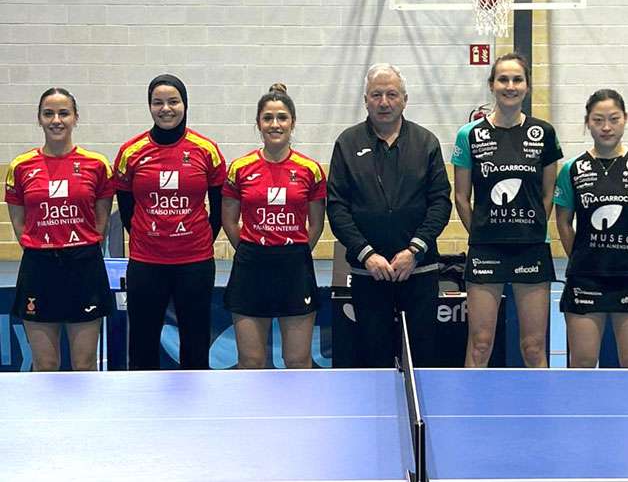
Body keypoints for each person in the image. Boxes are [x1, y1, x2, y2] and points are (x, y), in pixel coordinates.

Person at [327, 63, 452, 367]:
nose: (384, 102)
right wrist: (367, 254)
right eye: (376, 95)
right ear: (365, 100)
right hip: (369, 273)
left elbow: (440, 203)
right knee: (374, 359)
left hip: (418, 271)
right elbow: (337, 206)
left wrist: (414, 250)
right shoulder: (347, 142)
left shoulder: (427, 142)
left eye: (392, 94)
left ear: (405, 99)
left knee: (421, 358)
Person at [452, 52, 562, 368]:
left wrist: (530, 229)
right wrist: (485, 232)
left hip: (531, 248)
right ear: (492, 85)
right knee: (480, 345)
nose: (510, 86)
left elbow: (547, 192)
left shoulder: (544, 133)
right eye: (503, 79)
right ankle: (468, 412)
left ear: (527, 86)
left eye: (517, 79)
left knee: (533, 347)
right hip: (486, 248)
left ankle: (540, 413)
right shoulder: (470, 134)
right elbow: (461, 196)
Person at [113, 74, 226, 370]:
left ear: (184, 105)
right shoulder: (130, 152)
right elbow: (127, 208)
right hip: (146, 262)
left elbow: (219, 209)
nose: (166, 108)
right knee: (142, 343)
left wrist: (195, 240)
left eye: (173, 101)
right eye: (158, 102)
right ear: (149, 106)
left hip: (195, 262)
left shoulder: (207, 150)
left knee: (196, 343)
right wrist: (149, 237)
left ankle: (194, 407)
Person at [554, 89, 628, 368]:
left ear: (625, 119)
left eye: (614, 119)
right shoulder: (572, 169)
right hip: (586, 277)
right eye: (598, 120)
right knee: (583, 361)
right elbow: (564, 221)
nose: (606, 127)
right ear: (587, 122)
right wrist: (581, 255)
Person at [5, 88, 114, 371]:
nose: (56, 120)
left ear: (76, 118)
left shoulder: (97, 165)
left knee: (85, 364)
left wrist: (79, 244)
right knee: (45, 364)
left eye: (64, 113)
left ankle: (86, 417)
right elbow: (19, 223)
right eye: (48, 113)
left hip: (84, 267)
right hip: (39, 268)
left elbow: (100, 220)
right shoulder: (20, 166)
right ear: (39, 119)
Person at [222, 84, 326, 369]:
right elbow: (229, 219)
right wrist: (248, 247)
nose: (275, 124)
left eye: (282, 117)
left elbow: (316, 222)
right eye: (268, 118)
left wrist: (297, 248)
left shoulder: (310, 169)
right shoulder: (239, 168)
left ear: (293, 122)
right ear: (258, 123)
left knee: (296, 359)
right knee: (251, 361)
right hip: (251, 266)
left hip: (294, 267)